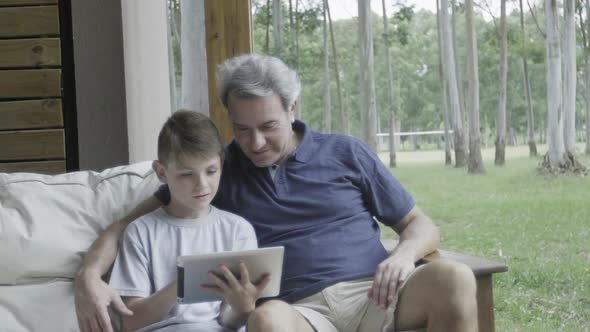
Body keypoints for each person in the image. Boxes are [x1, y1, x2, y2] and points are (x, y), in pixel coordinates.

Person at [75, 54, 478, 332]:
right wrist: (89, 275)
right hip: (297, 312)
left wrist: (404, 256)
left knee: (453, 278)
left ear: (292, 109)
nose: (255, 142)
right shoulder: (217, 170)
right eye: (242, 128)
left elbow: (418, 224)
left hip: (373, 292)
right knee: (266, 322)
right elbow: (127, 225)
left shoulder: (345, 152)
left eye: (268, 126)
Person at [106, 110, 270, 332]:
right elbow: (131, 321)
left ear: (221, 164)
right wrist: (183, 285)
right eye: (186, 174)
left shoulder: (237, 230)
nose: (202, 184)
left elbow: (229, 321)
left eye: (211, 171)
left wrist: (243, 308)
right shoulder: (141, 232)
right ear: (162, 172)